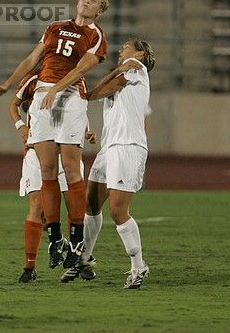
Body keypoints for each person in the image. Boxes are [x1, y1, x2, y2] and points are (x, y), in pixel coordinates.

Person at [0, 0, 109, 273]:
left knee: (72, 166)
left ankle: (77, 239)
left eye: (93, 2)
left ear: (99, 11)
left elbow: (81, 70)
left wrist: (57, 88)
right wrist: (7, 84)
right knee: (47, 171)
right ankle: (55, 237)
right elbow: (32, 59)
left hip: (70, 96)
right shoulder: (54, 27)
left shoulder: (96, 36)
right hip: (43, 95)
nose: (87, 2)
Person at [63, 39, 155, 288]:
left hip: (128, 147)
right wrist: (89, 94)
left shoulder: (138, 68)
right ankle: (84, 258)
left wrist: (88, 93)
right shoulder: (124, 74)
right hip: (109, 148)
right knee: (91, 205)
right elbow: (108, 86)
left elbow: (114, 81)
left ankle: (138, 266)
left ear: (140, 52)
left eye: (126, 46)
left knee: (117, 211)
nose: (121, 50)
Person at [10, 68, 94, 283]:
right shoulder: (34, 78)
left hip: (65, 150)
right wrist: (20, 125)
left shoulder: (76, 78)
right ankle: (29, 267)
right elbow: (13, 104)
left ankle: (80, 259)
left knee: (72, 203)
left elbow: (80, 110)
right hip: (37, 151)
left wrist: (87, 130)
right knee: (36, 207)